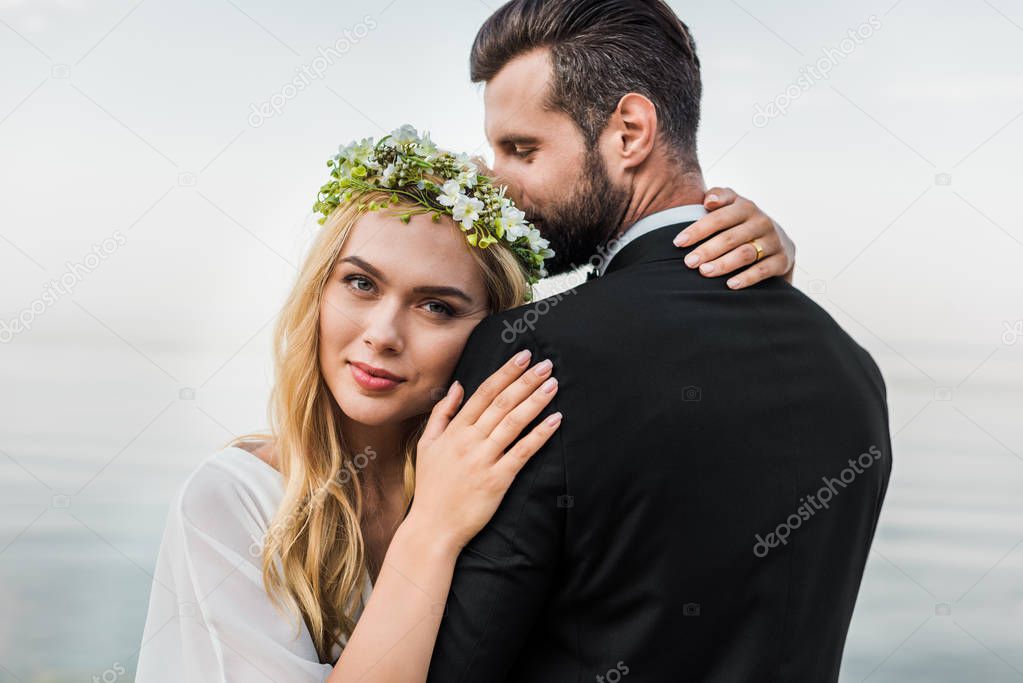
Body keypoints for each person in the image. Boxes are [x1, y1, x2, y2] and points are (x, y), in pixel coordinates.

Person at [134, 125, 796, 681]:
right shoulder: (233, 502)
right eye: (360, 283)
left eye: (435, 306)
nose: (382, 334)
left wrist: (741, 275)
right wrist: (432, 532)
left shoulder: (512, 483)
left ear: (491, 331)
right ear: (318, 288)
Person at [424, 2, 892, 682]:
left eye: (521, 149)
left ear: (629, 132)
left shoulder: (525, 356)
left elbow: (455, 665)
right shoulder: (852, 368)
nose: (495, 178)